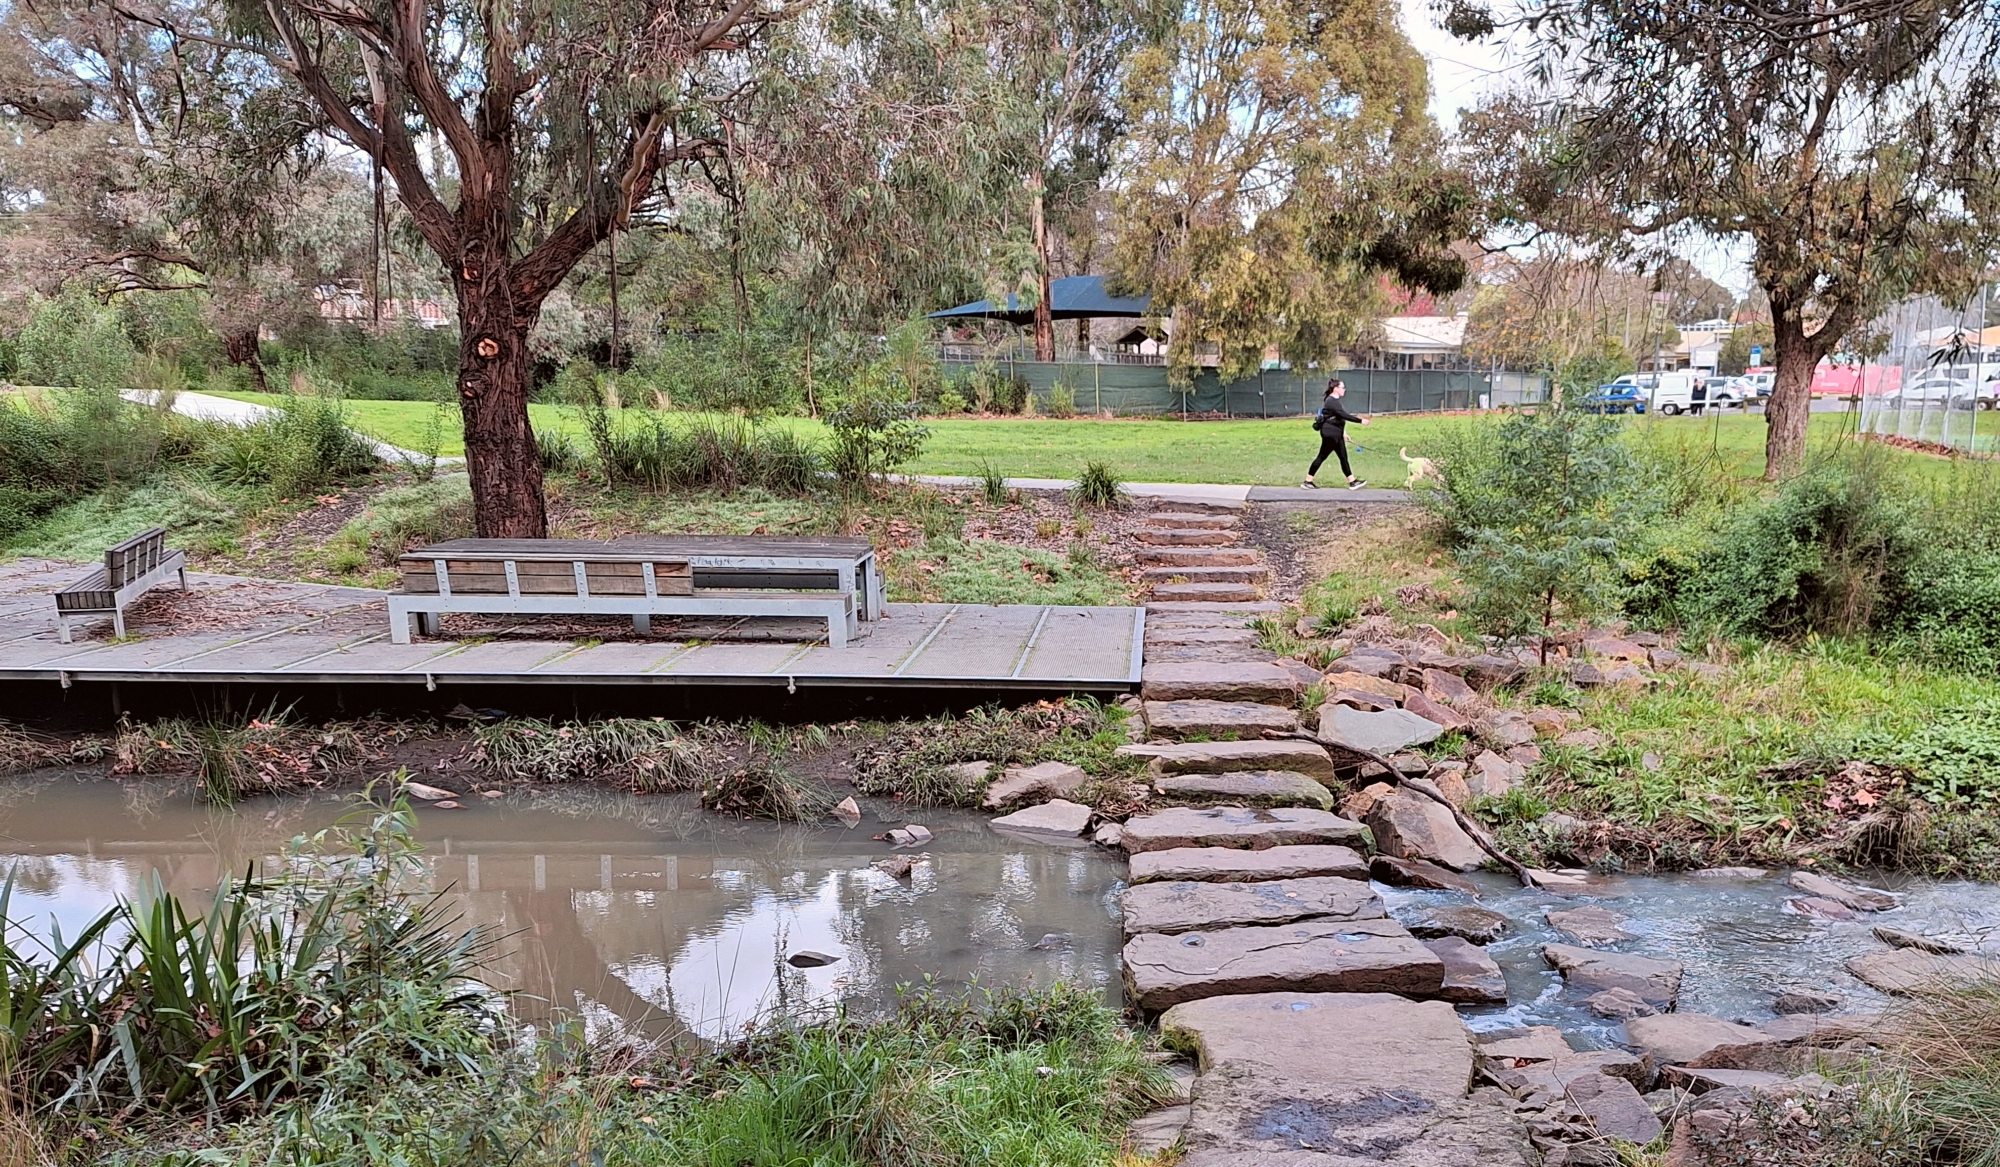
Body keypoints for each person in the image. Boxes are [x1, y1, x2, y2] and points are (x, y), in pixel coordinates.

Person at [1302, 378, 1368, 488]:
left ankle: (1352, 482)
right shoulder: (1331, 401)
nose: (1344, 390)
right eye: (1342, 388)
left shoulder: (1334, 401)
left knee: (1343, 457)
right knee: (1322, 456)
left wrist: (1343, 432)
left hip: (1336, 434)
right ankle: (1307, 481)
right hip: (1330, 434)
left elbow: (1337, 419)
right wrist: (1361, 421)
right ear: (1336, 389)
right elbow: (1343, 415)